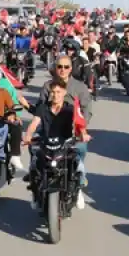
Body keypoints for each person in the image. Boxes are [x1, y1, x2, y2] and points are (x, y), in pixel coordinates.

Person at [23, 77, 91, 210]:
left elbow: (79, 123)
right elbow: (34, 124)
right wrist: (28, 136)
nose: (55, 95)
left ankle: (78, 190)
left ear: (64, 92)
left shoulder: (70, 109)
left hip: (65, 144)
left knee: (78, 165)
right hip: (46, 143)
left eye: (58, 92)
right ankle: (35, 194)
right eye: (53, 92)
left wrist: (83, 134)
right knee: (34, 165)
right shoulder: (43, 108)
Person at [39, 56, 92, 185]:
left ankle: (78, 180)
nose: (63, 70)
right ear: (55, 68)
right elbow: (40, 108)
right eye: (59, 67)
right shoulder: (47, 86)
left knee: (80, 149)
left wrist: (81, 129)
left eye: (66, 67)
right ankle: (37, 179)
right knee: (36, 150)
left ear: (71, 69)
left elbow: (86, 110)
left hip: (72, 131)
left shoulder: (80, 87)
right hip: (50, 129)